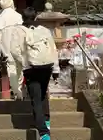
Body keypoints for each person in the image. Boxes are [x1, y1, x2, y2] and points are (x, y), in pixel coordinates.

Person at [20, 7, 58, 140]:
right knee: (42, 94)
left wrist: (22, 63)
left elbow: (15, 51)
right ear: (36, 17)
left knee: (36, 98)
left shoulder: (20, 31)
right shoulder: (45, 30)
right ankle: (46, 121)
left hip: (30, 68)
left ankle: (43, 133)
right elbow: (53, 49)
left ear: (22, 18)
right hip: (47, 66)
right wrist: (56, 69)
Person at [0, 0, 25, 100]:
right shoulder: (18, 16)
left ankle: (16, 92)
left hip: (7, 50)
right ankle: (19, 89)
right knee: (20, 69)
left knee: (12, 70)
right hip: (20, 48)